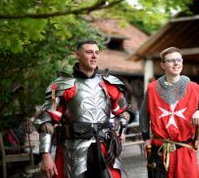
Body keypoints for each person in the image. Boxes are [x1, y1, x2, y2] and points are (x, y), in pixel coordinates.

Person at [34, 39, 133, 178]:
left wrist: (121, 130)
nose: (94, 56)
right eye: (89, 52)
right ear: (78, 55)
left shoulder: (108, 83)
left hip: (105, 148)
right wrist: (45, 155)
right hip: (73, 150)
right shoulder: (64, 86)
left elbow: (124, 112)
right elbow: (46, 122)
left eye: (97, 53)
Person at [139, 47, 199, 178]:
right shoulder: (151, 89)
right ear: (162, 65)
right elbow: (144, 115)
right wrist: (146, 138)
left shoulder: (193, 88)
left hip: (184, 150)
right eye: (171, 60)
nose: (176, 63)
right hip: (159, 151)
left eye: (178, 60)